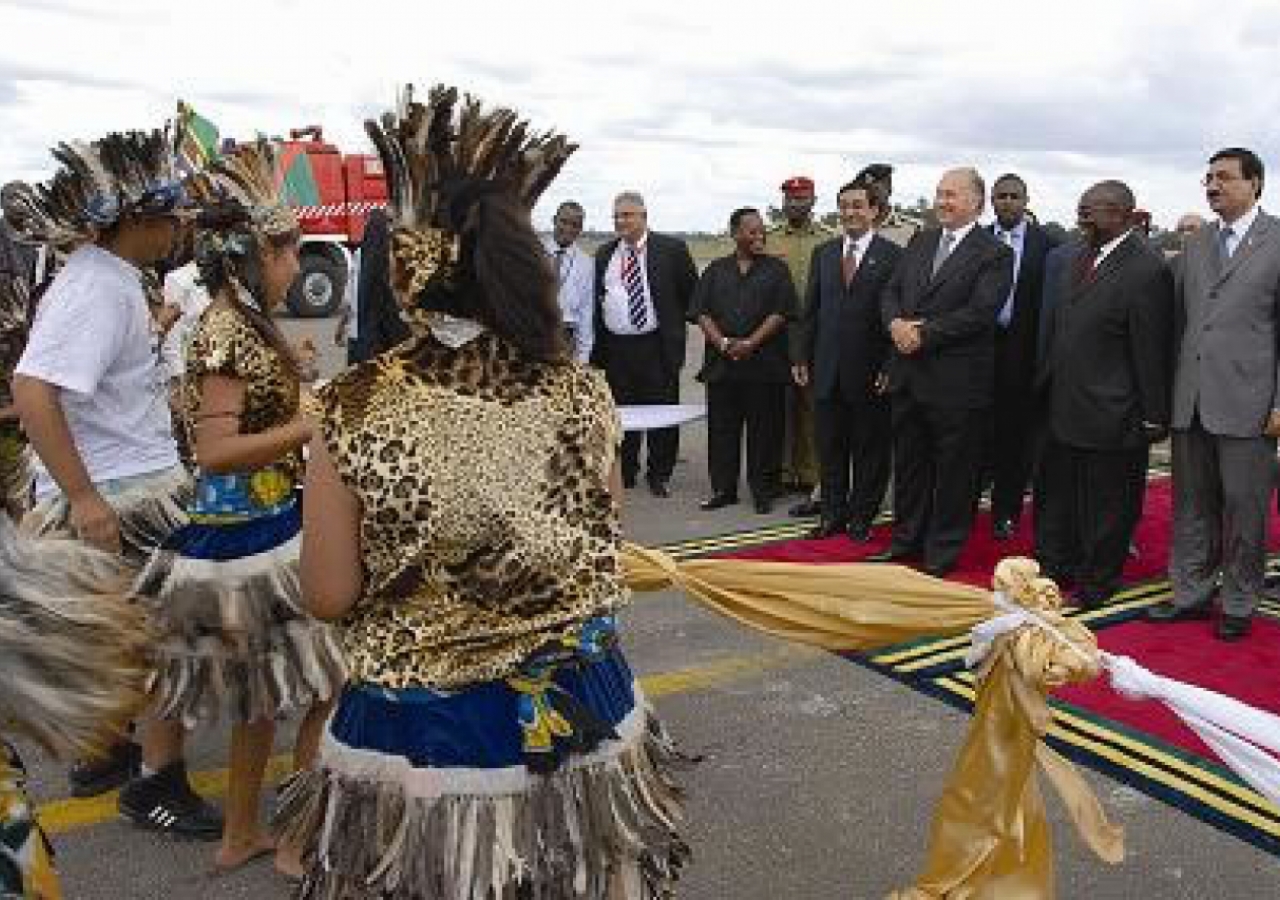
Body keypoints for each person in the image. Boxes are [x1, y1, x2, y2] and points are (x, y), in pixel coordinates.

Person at [276, 84, 691, 898]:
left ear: (405, 268)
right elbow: (601, 540)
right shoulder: (582, 392)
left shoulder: (357, 403)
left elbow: (328, 595)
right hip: (582, 705)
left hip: (427, 725)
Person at [132, 141, 344, 874]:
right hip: (250, 541)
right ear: (259, 254)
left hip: (257, 528)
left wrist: (296, 388)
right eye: (290, 256)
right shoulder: (226, 329)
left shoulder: (242, 321)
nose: (296, 270)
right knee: (326, 682)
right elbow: (216, 449)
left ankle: (242, 833)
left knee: (263, 701)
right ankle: (294, 838)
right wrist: (309, 422)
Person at [11, 128, 222, 838]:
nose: (176, 232)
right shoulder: (98, 288)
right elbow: (34, 390)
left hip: (129, 484)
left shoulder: (108, 280)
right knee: (174, 640)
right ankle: (157, 784)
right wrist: (84, 498)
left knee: (122, 636)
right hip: (124, 496)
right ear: (137, 219)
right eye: (170, 220)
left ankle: (104, 752)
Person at [1148, 148, 1280, 642]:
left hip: (1251, 403)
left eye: (1224, 178)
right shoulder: (1197, 243)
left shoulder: (1277, 240)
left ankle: (1241, 599)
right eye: (1208, 178)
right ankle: (1190, 593)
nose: (1212, 186)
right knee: (1191, 504)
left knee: (1245, 507)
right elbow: (1180, 324)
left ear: (1255, 183)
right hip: (1193, 399)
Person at [1034, 180, 1173, 608]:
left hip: (1115, 412)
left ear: (1123, 214)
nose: (1083, 218)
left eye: (1092, 211)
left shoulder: (1147, 268)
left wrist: (1153, 416)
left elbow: (1152, 348)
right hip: (1065, 405)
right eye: (1081, 209)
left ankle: (1098, 582)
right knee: (1063, 500)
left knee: (1108, 507)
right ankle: (1060, 569)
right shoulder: (1078, 257)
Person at [871, 167, 1014, 576]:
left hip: (957, 384)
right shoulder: (922, 240)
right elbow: (891, 291)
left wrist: (925, 333)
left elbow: (981, 312)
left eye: (951, 194)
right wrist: (895, 324)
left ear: (976, 202)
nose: (942, 202)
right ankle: (905, 543)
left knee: (955, 474)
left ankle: (941, 553)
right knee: (911, 468)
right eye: (939, 194)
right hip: (909, 376)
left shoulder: (994, 253)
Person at [792, 174, 901, 541]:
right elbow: (810, 312)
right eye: (844, 207)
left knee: (870, 450)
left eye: (857, 206)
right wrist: (801, 357)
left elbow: (897, 317)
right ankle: (832, 516)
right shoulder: (824, 254)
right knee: (830, 448)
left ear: (874, 210)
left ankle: (862, 517)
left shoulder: (893, 257)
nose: (849, 213)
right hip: (826, 371)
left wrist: (891, 365)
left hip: (871, 373)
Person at [591, 190, 698, 497]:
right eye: (616, 216)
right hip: (616, 348)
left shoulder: (671, 249)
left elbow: (690, 293)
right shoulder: (605, 253)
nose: (621, 221)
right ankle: (626, 471)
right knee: (622, 412)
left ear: (643, 216)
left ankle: (659, 473)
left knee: (661, 410)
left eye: (627, 215)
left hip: (656, 345)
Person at [693, 206, 797, 514]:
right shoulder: (715, 270)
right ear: (735, 233)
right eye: (751, 230)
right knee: (722, 431)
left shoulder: (777, 270)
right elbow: (701, 312)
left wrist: (751, 342)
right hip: (722, 365)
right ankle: (723, 489)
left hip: (764, 366)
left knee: (765, 431)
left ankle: (763, 490)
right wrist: (723, 343)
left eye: (761, 229)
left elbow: (781, 312)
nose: (759, 235)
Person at [986, 174, 1061, 539]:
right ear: (991, 201)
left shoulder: (1047, 247)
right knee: (972, 436)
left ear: (1026, 200)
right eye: (1001, 197)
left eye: (1015, 196)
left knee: (1014, 440)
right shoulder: (977, 241)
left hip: (1023, 351)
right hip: (978, 351)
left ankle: (1006, 511)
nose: (1008, 203)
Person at [767, 175, 831, 514]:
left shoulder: (827, 239)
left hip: (814, 332)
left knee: (811, 406)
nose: (795, 204)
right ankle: (781, 473)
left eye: (801, 199)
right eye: (790, 199)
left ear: (813, 201)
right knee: (779, 406)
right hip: (776, 332)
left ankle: (810, 473)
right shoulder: (769, 239)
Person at [345, 208, 407, 364]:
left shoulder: (360, 255)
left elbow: (353, 293)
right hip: (378, 334)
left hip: (360, 333)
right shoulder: (389, 260)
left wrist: (345, 322)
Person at [544, 200, 595, 362]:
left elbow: (586, 311)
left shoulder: (586, 263)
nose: (568, 228)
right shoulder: (534, 252)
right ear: (554, 220)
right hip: (532, 331)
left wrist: (583, 356)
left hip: (565, 337)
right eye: (564, 221)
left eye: (575, 224)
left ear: (580, 228)